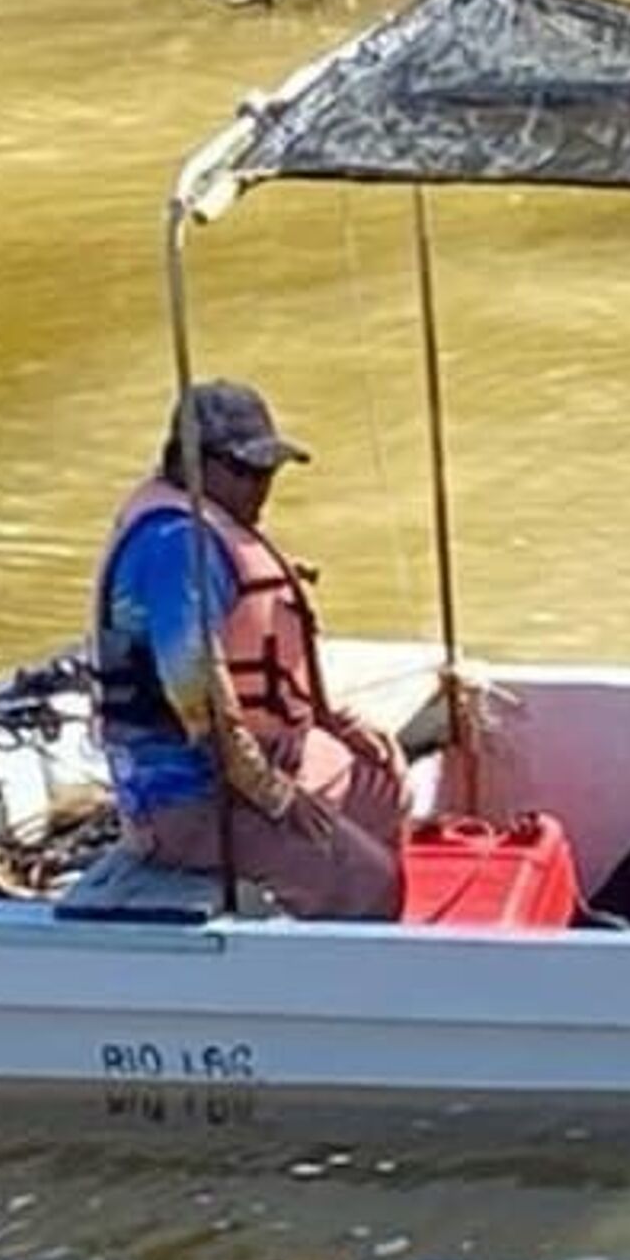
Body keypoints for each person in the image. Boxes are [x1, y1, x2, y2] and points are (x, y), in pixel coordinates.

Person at [91, 378, 406, 919]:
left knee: (382, 787)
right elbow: (203, 706)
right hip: (189, 797)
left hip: (259, 763)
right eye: (245, 471)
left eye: (269, 472)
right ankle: (334, 977)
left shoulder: (216, 529)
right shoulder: (175, 550)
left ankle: (316, 914)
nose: (261, 489)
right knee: (369, 883)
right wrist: (278, 797)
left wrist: (333, 722)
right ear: (193, 464)